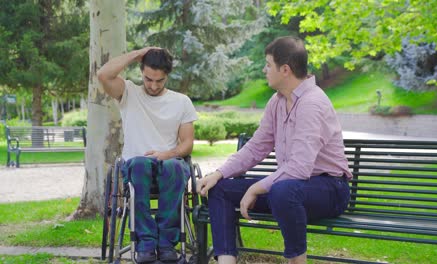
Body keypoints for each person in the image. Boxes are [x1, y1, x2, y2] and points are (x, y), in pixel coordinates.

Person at [196, 36, 352, 264]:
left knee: (283, 191)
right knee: (220, 189)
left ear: (285, 69)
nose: (264, 69)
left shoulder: (312, 103)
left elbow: (299, 168)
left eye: (268, 65)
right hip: (290, 186)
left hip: (330, 189)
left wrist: (255, 189)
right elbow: (256, 147)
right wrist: (218, 173)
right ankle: (226, 261)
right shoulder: (277, 101)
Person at [98, 47, 198, 264]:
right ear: (141, 71)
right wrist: (137, 54)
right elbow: (103, 74)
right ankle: (145, 242)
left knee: (174, 166)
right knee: (140, 164)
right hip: (136, 168)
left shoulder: (182, 101)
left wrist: (165, 154)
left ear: (167, 76)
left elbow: (188, 143)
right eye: (148, 79)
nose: (153, 86)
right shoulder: (128, 92)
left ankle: (166, 243)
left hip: (169, 165)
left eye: (159, 81)